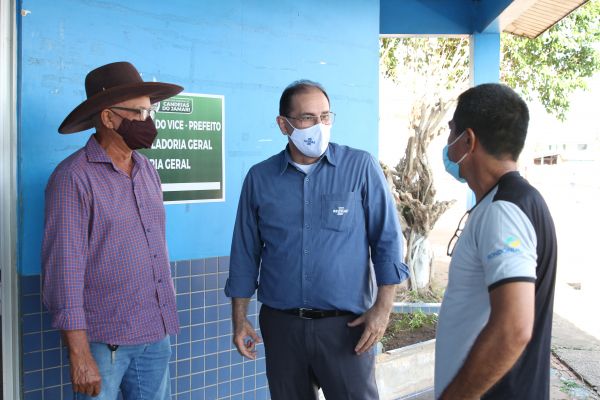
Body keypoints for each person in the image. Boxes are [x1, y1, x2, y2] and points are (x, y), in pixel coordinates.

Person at [225, 79, 409, 399]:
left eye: (325, 116)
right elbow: (245, 252)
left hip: (347, 328)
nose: (319, 125)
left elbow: (387, 239)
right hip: (282, 327)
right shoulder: (260, 178)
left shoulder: (360, 167)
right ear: (284, 124)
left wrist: (383, 308)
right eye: (308, 117)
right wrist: (239, 320)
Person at [42, 61, 183, 400]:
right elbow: (64, 271)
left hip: (155, 333)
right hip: (106, 345)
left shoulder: (147, 170)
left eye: (149, 113)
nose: (147, 123)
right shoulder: (73, 178)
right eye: (137, 113)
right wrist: (79, 355)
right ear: (108, 118)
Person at [434, 83, 557, 399]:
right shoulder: (513, 201)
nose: (448, 144)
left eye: (452, 132)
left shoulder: (504, 211)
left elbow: (514, 328)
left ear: (468, 140)